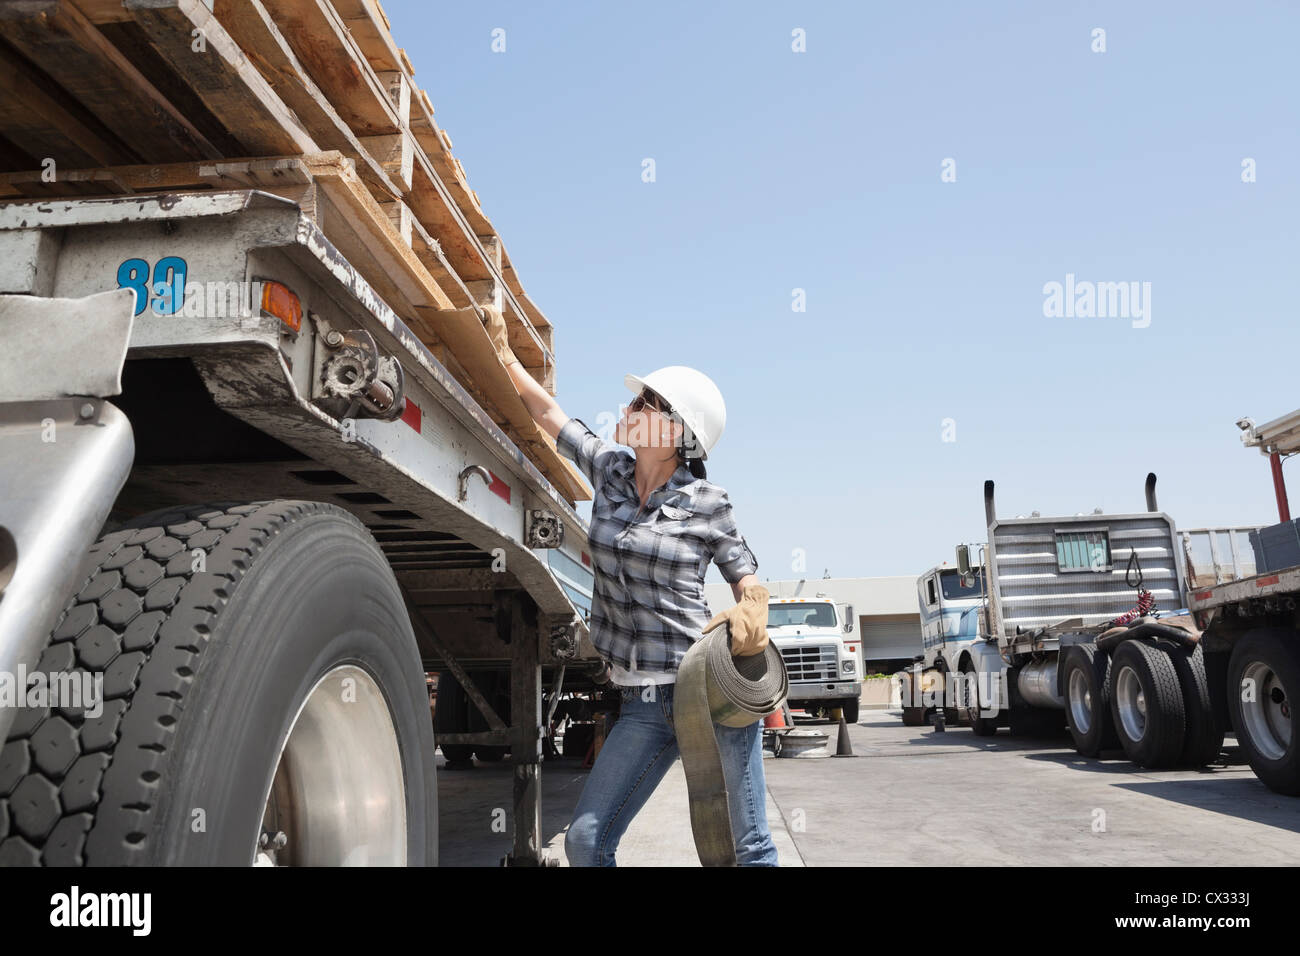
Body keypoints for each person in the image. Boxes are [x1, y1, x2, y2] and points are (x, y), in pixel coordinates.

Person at [485, 309, 778, 867]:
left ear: (674, 431)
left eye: (644, 404)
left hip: (705, 689)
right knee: (586, 841)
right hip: (640, 703)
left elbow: (745, 578)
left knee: (749, 846)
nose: (628, 409)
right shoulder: (610, 471)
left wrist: (752, 607)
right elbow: (549, 413)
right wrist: (502, 353)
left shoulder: (708, 504)